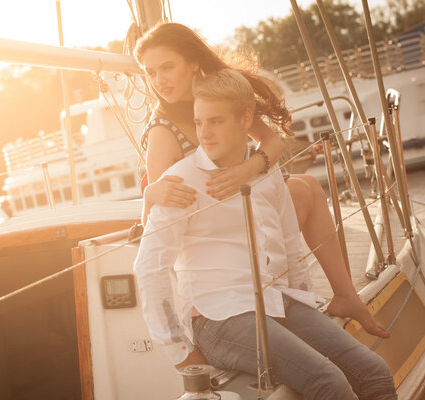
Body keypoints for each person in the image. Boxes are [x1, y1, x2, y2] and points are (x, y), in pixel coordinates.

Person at [133, 68, 397, 400]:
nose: (205, 134)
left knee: (373, 371)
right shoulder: (181, 182)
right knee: (329, 383)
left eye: (215, 121)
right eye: (199, 123)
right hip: (218, 317)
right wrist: (180, 353)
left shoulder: (265, 172)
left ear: (245, 119)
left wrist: (304, 305)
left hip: (274, 301)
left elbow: (288, 247)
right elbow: (149, 268)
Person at [134, 22, 388, 339]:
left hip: (247, 206)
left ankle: (344, 295)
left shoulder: (216, 93)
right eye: (151, 72)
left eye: (167, 67)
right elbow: (159, 223)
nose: (159, 81)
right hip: (217, 236)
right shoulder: (162, 131)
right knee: (301, 188)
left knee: (307, 186)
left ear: (193, 61)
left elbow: (273, 141)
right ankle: (304, 295)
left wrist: (246, 169)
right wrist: (149, 196)